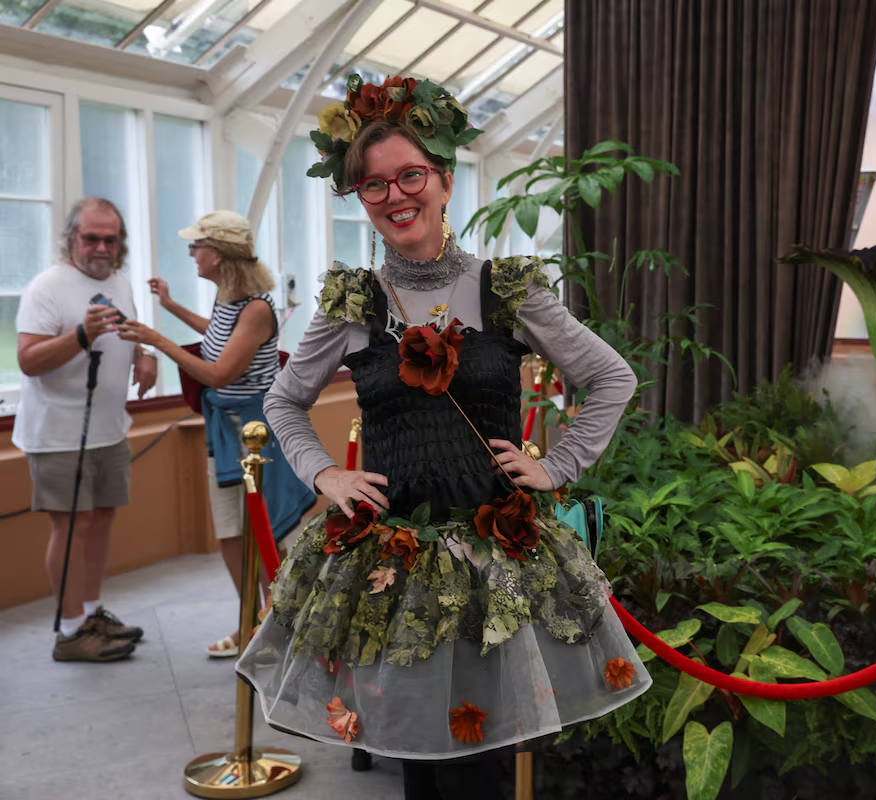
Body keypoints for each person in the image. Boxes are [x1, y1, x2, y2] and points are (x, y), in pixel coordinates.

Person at [235, 75, 651, 798]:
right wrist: (326, 476)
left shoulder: (507, 288)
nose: (396, 196)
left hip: (497, 558)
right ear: (359, 198)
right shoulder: (353, 300)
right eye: (373, 186)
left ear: (445, 180)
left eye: (411, 176)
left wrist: (558, 465)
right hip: (392, 564)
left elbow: (612, 378)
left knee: (486, 756)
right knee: (420, 758)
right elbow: (285, 399)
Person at [117, 211, 315, 657]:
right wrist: (170, 307)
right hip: (224, 431)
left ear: (220, 255)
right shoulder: (229, 299)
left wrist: (157, 339)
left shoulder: (259, 307)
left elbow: (221, 372)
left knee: (272, 530)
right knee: (230, 531)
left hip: (255, 433)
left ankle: (280, 623)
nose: (191, 254)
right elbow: (219, 336)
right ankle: (252, 621)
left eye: (196, 246)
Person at [15, 197, 157, 663]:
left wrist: (145, 356)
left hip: (110, 429)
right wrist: (81, 335)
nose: (100, 247)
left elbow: (131, 331)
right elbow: (29, 361)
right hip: (58, 433)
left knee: (101, 522)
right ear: (71, 238)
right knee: (70, 527)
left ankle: (91, 612)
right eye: (90, 238)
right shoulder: (47, 287)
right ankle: (71, 629)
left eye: (110, 239)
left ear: (121, 243)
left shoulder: (118, 280)